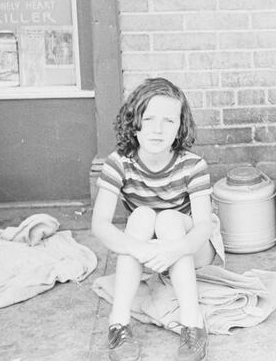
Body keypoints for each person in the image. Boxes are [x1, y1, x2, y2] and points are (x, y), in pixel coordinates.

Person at [91, 77, 215, 361]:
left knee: (169, 219)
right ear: (134, 122)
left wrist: (175, 249)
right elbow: (100, 224)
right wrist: (140, 249)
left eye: (169, 121)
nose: (158, 130)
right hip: (149, 250)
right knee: (142, 215)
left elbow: (203, 227)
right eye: (148, 119)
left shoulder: (193, 165)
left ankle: (192, 323)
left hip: (192, 246)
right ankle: (118, 323)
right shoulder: (120, 163)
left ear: (180, 127)